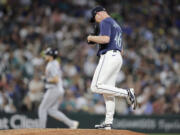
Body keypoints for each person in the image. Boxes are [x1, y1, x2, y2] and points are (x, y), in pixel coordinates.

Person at [87, 6, 137, 130]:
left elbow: (105, 39)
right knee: (107, 92)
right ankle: (108, 123)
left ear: (98, 14)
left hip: (109, 56)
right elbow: (121, 48)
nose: (96, 21)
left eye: (95, 18)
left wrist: (91, 37)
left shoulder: (105, 21)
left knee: (95, 86)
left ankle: (127, 93)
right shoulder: (116, 25)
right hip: (117, 57)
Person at [38, 47, 79, 129]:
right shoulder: (55, 62)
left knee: (42, 109)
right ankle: (72, 124)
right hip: (58, 89)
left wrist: (46, 79)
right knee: (52, 110)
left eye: (47, 54)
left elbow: (56, 79)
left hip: (54, 89)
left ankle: (41, 130)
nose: (45, 55)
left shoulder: (51, 65)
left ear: (51, 55)